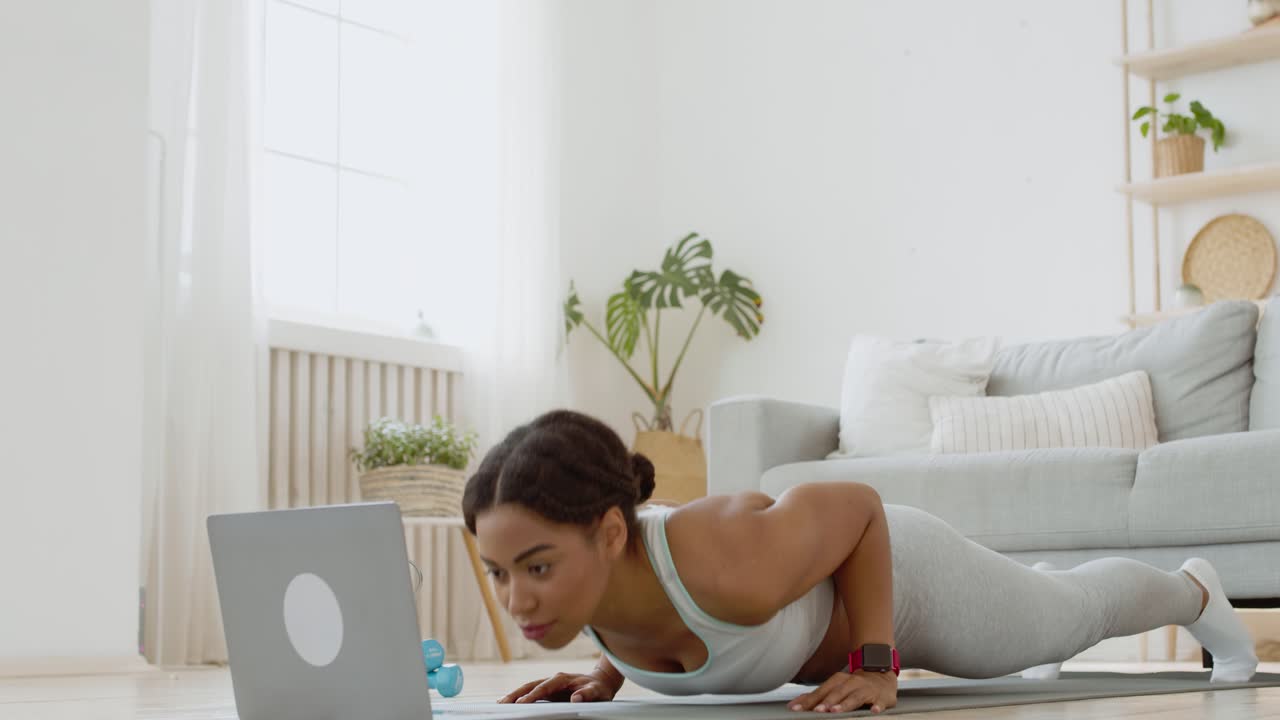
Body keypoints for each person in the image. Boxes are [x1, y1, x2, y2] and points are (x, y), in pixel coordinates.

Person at [462, 410, 1258, 714]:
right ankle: (1036, 592)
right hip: (853, 595)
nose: (517, 600)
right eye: (498, 573)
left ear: (608, 532)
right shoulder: (594, 590)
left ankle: (1194, 590)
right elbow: (651, 619)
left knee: (1066, 625)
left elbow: (860, 509)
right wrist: (608, 674)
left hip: (903, 578)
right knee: (1044, 614)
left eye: (536, 568)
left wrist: (878, 663)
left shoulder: (725, 560)